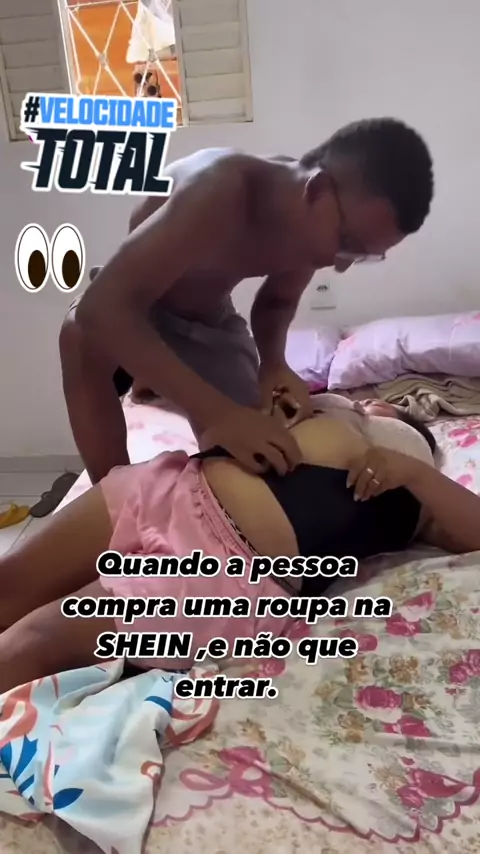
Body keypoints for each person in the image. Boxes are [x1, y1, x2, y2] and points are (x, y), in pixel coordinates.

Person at [1, 395, 479, 695]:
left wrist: (416, 473)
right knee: (9, 587)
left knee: (34, 640)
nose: (378, 402)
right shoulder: (322, 402)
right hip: (167, 486)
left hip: (226, 574)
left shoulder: (415, 486)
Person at [60, 119, 434, 483]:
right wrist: (219, 413)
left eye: (362, 256)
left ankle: (152, 380)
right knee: (79, 335)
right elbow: (102, 307)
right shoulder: (220, 190)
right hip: (135, 305)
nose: (340, 264)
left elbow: (277, 301)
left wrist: (274, 363)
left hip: (207, 320)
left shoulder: (309, 227)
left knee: (260, 452)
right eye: (347, 242)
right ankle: (112, 496)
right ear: (317, 189)